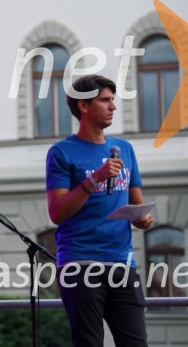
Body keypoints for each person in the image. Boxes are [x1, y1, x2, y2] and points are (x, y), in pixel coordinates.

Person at [45, 74, 154, 347]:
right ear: (83, 106)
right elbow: (57, 212)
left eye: (112, 100)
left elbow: (136, 203)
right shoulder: (61, 152)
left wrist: (143, 218)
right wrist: (95, 178)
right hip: (80, 264)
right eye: (105, 100)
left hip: (122, 263)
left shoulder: (125, 149)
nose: (113, 106)